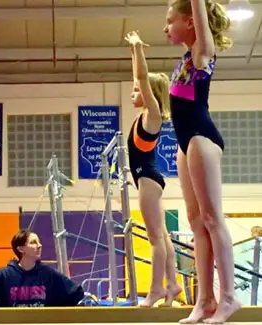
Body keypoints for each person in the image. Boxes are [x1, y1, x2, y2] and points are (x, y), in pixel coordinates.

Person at [165, 0, 240, 323]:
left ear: (191, 22)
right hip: (185, 142)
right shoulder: (184, 59)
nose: (166, 27)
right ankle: (204, 300)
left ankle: (229, 297)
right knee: (196, 223)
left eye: (170, 21)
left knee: (212, 219)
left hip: (201, 136)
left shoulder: (201, 54)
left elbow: (204, 37)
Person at [124, 30, 182, 308]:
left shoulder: (153, 115)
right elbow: (141, 78)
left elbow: (144, 79)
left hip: (147, 179)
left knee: (155, 239)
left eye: (138, 91)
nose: (133, 92)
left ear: (151, 95)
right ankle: (173, 284)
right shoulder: (143, 117)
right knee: (164, 237)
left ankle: (155, 289)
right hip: (149, 179)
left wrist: (138, 48)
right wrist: (133, 52)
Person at [0, 229, 84, 307]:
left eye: (39, 242)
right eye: (33, 242)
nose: (39, 245)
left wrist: (53, 313)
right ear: (21, 249)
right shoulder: (4, 276)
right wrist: (0, 314)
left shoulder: (48, 274)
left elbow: (76, 293)